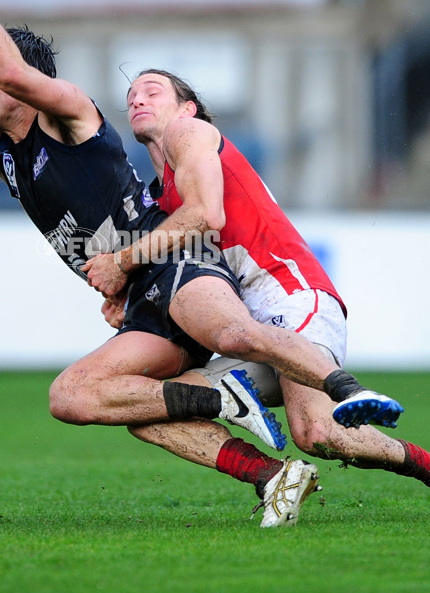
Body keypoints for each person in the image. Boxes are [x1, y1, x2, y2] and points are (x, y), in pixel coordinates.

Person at [0, 0, 401, 527]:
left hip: (175, 262)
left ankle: (346, 386)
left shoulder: (69, 112)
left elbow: (9, 73)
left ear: (22, 84)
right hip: (141, 303)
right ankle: (268, 471)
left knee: (235, 331)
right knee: (78, 397)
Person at [83, 68, 430, 494]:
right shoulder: (159, 197)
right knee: (145, 407)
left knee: (317, 433)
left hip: (290, 298)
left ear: (187, 109)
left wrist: (122, 261)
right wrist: (128, 294)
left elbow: (206, 217)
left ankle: (405, 446)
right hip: (249, 331)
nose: (137, 100)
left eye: (152, 92)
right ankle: (273, 477)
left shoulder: (190, 133)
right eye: (132, 95)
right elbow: (175, 271)